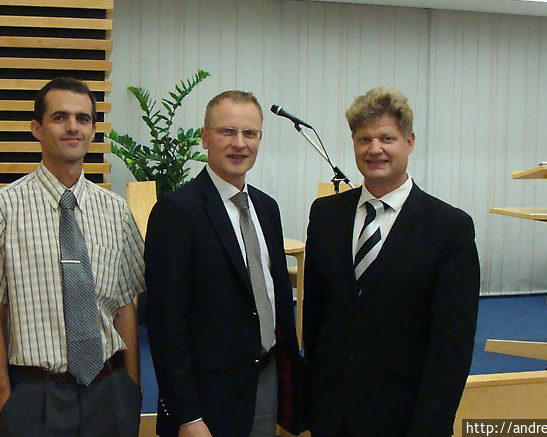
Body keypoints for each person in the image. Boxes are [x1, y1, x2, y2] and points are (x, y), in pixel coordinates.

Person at [0, 77, 145, 436]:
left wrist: (132, 387)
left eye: (83, 119)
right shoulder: (1, 208)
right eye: (60, 117)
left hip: (109, 390)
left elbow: (125, 306)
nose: (73, 126)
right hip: (36, 396)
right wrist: (3, 399)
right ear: (36, 129)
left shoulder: (116, 211)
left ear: (92, 131)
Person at [303, 86, 480, 437]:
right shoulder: (325, 215)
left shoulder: (450, 228)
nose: (375, 149)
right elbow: (315, 319)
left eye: (387, 138)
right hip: (330, 415)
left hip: (403, 417)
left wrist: (429, 427)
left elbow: (452, 348)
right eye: (364, 139)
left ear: (409, 142)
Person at [145, 90, 305, 437]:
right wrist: (187, 415)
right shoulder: (177, 212)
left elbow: (276, 300)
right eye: (227, 131)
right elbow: (165, 325)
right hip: (206, 398)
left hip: (264, 380)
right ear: (205, 137)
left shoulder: (267, 208)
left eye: (250, 133)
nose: (240, 143)